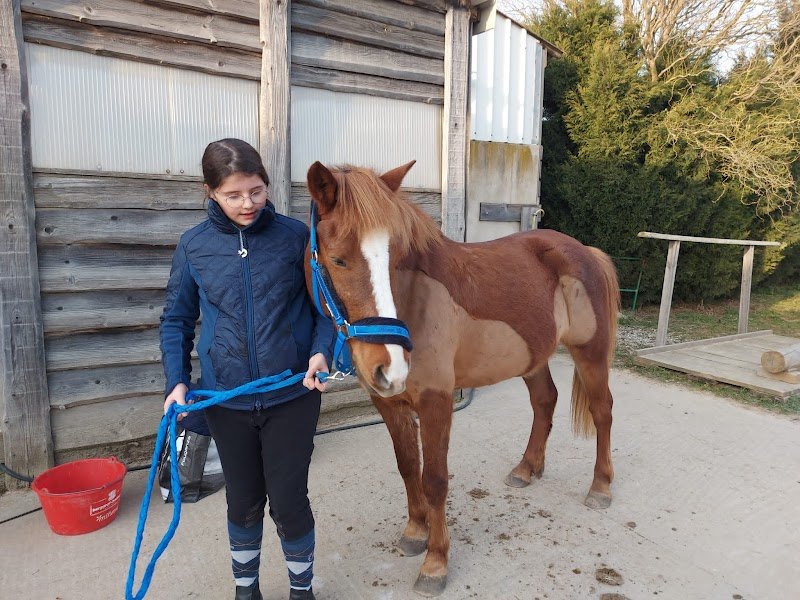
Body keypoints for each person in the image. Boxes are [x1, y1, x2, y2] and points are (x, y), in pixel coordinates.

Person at [160, 138, 335, 600]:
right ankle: (246, 591)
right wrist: (177, 381)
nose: (248, 204)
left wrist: (322, 352)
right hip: (226, 400)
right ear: (210, 192)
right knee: (242, 501)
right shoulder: (194, 246)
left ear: (266, 185)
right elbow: (176, 319)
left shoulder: (297, 237)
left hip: (293, 395)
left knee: (290, 499)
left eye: (256, 191)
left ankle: (302, 591)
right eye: (233, 195)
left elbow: (325, 310)